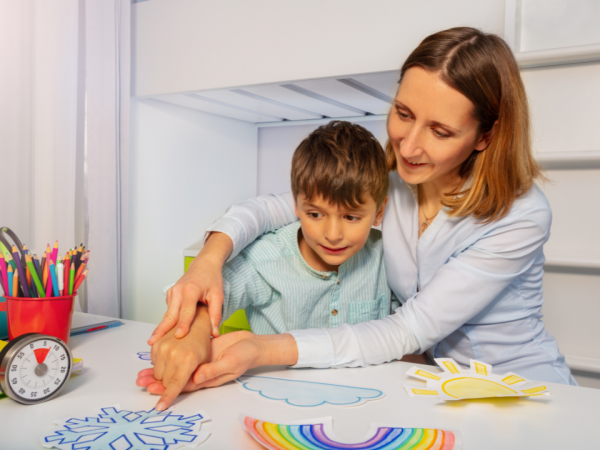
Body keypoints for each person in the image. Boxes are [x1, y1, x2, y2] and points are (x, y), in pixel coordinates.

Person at [139, 27, 577, 400]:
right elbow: (277, 206)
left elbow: (408, 330)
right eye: (403, 113)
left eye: (440, 131)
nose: (407, 146)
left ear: (485, 136)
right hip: (441, 387)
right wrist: (208, 263)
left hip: (523, 388)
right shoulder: (393, 185)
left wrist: (260, 349)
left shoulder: (520, 216)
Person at [142, 121, 404, 410]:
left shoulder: (387, 257)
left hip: (368, 404)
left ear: (379, 213)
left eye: (351, 217)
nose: (332, 234)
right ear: (295, 206)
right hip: (274, 405)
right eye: (315, 214)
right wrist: (193, 334)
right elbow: (215, 292)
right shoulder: (268, 258)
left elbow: (404, 332)